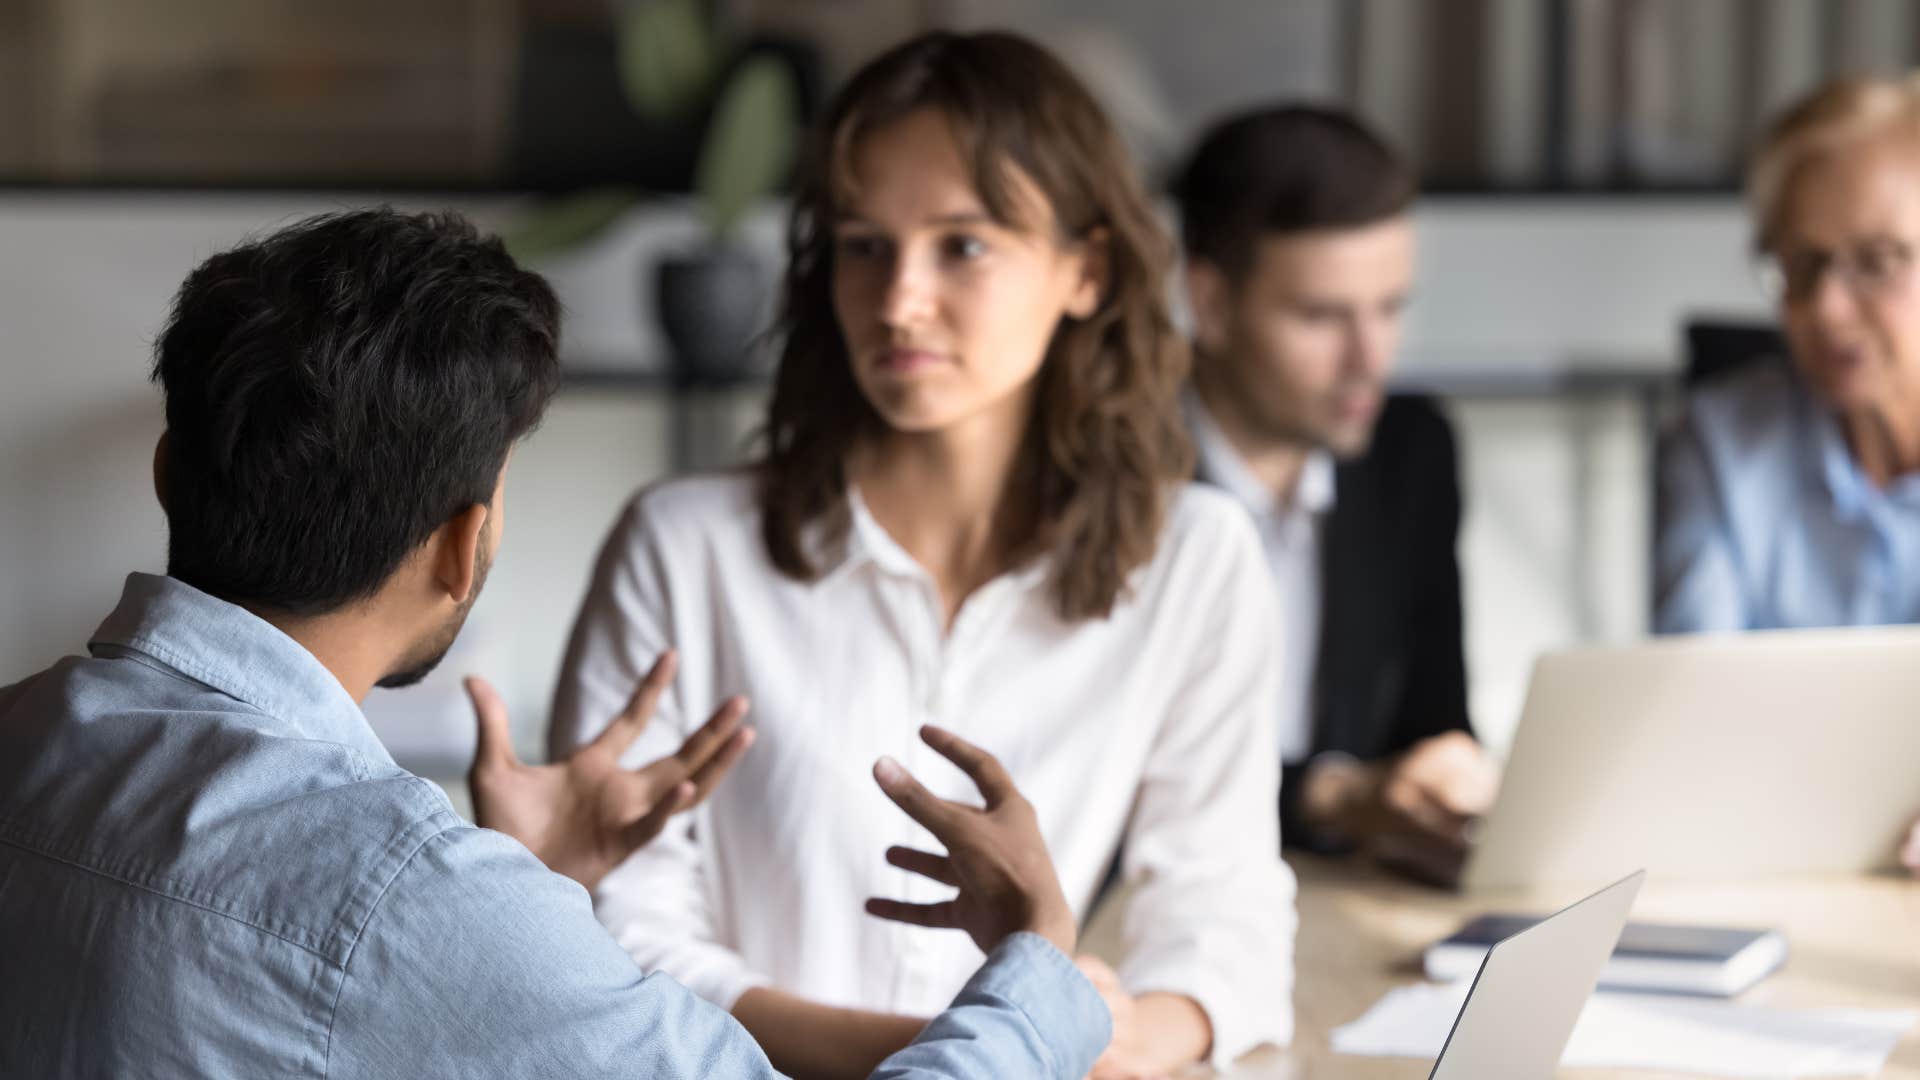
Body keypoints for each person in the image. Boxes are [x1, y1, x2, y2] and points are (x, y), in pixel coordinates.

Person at [0, 208, 1113, 1079]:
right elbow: (369, 930)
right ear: (462, 545)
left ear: (167, 472)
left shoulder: (24, 730)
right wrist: (1041, 959)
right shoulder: (410, 897)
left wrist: (519, 889)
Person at [550, 31, 1295, 1080]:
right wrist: (1001, 1047)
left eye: (964, 246)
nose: (900, 300)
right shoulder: (682, 549)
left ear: (1085, 270)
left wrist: (1134, 1038)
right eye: (864, 246)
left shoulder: (1195, 559)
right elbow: (616, 935)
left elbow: (1223, 911)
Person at [1170, 105, 1498, 882]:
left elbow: (1433, 720)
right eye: (1322, 317)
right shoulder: (1105, 477)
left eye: (1389, 308)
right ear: (1210, 305)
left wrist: (1446, 780)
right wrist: (1330, 797)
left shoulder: (1410, 451)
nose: (1369, 359)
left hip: (1346, 900)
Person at [1657, 74, 1920, 634]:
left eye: (1875, 262)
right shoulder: (1717, 445)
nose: (1826, 310)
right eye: (1800, 264)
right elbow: (1694, 674)